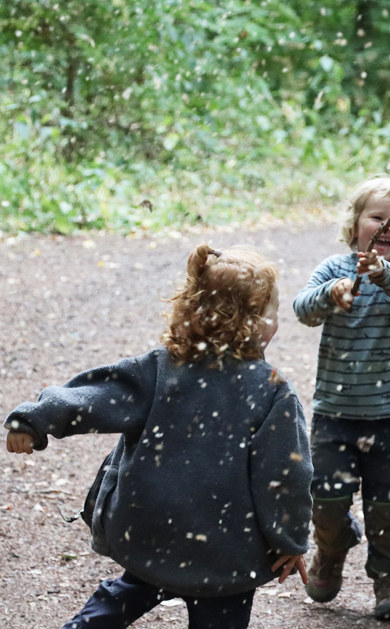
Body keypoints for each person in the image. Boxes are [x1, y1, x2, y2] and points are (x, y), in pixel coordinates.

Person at [5, 243, 313, 629]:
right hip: (223, 548)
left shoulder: (161, 368)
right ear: (248, 321)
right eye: (272, 313)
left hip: (153, 531)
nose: (276, 323)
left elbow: (96, 395)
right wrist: (290, 538)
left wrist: (34, 419)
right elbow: (286, 476)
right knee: (220, 618)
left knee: (129, 591)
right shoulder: (271, 390)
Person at [292, 176, 390, 621]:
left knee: (388, 502)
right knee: (326, 496)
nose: (388, 225)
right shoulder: (334, 270)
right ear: (355, 225)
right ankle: (332, 551)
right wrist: (330, 295)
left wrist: (384, 273)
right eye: (377, 217)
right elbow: (302, 310)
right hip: (336, 411)